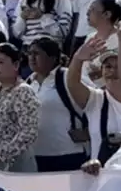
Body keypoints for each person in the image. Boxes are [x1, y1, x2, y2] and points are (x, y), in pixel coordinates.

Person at [67, 36, 121, 163]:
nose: (112, 71)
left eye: (118, 67)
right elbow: (73, 84)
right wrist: (77, 59)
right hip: (101, 172)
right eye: (108, 67)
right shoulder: (96, 99)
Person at [26, 38, 88, 171]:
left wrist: (89, 130)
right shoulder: (28, 82)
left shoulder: (68, 77)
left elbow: (95, 102)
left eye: (37, 53)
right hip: (36, 155)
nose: (31, 58)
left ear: (52, 58)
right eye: (29, 53)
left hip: (69, 153)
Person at [0, 43, 39, 171]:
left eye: (0, 62)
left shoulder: (23, 92)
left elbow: (28, 132)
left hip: (14, 167)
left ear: (15, 65)